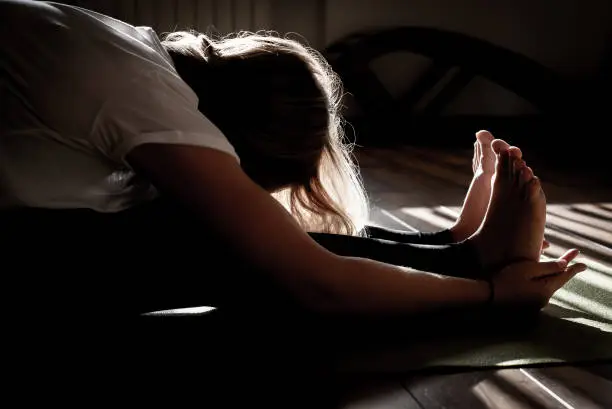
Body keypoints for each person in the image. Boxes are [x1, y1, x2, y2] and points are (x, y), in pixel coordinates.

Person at [1, 0, 586, 317]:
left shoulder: (132, 55)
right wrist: (491, 300)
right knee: (223, 246)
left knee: (222, 237)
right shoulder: (137, 88)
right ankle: (468, 264)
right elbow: (311, 280)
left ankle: (456, 251)